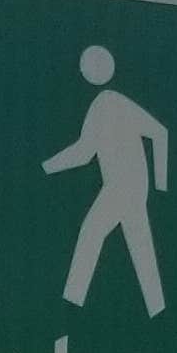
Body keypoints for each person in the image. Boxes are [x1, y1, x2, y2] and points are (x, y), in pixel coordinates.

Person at [43, 45, 169, 315]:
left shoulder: (111, 101)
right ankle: (157, 308)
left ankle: (71, 305)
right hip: (127, 188)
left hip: (125, 188)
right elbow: (84, 152)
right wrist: (47, 167)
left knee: (91, 232)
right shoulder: (100, 105)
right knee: (140, 247)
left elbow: (160, 132)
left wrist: (161, 183)